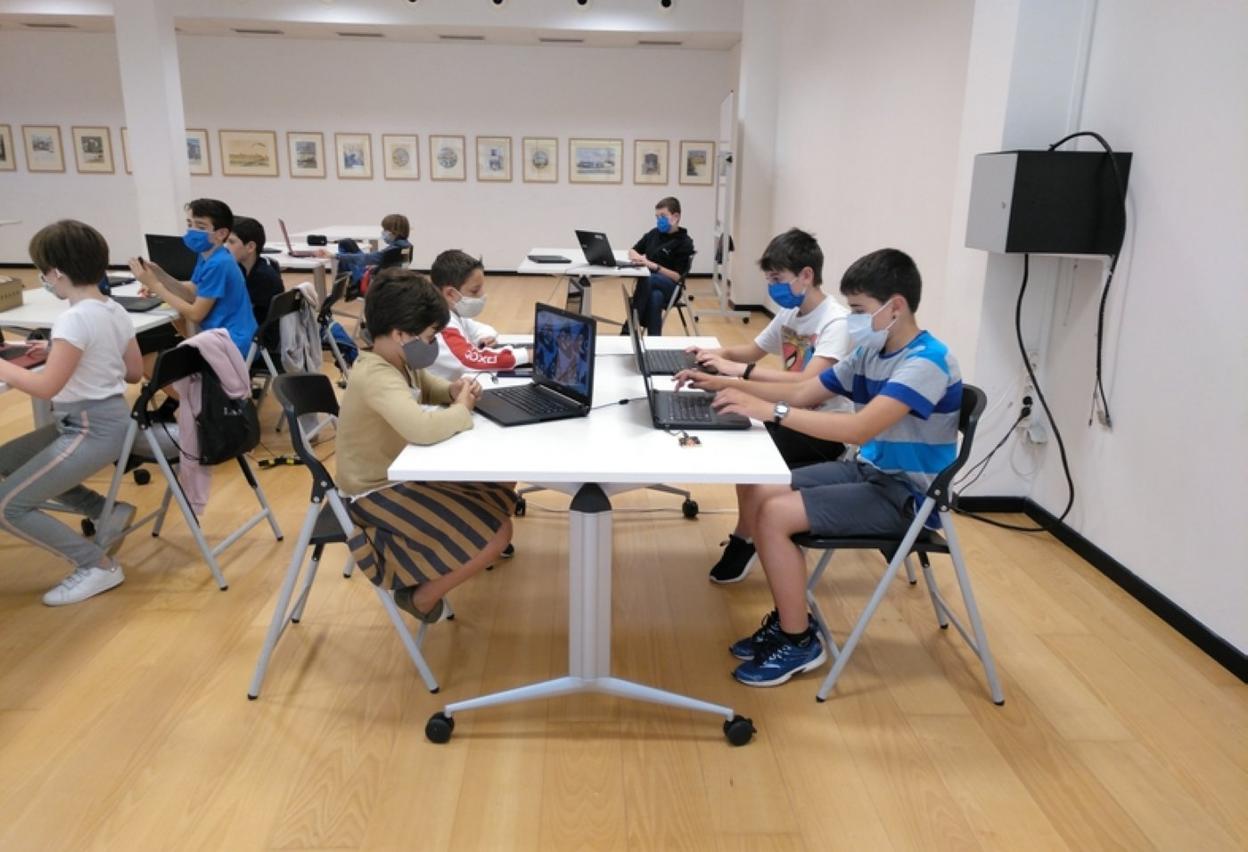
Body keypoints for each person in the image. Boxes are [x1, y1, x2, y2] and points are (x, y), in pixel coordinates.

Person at [707, 248, 962, 687]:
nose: (853, 320)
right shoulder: (871, 353)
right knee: (764, 487)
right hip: (870, 473)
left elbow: (859, 429)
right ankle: (790, 618)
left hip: (907, 498)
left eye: (860, 310)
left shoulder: (927, 362)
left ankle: (798, 639)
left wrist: (771, 412)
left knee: (774, 514)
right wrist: (724, 383)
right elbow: (804, 391)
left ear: (895, 307)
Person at [337, 268, 516, 623]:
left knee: (497, 483)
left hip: (399, 472)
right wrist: (462, 409)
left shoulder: (397, 360)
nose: (433, 343)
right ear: (401, 334)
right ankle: (420, 599)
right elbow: (421, 428)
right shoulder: (376, 375)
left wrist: (452, 391)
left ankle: (452, 555)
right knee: (499, 533)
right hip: (373, 494)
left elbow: (427, 387)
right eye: (430, 336)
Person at [675, 228, 852, 584]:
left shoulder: (836, 322)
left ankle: (746, 537)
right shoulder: (791, 312)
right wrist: (714, 354)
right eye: (769, 279)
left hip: (825, 430)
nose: (772, 287)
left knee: (749, 450)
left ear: (806, 275)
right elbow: (751, 351)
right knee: (741, 435)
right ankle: (748, 533)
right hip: (791, 414)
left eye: (777, 279)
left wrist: (738, 373)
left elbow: (807, 384)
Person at [0, 220, 143, 605]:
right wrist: (62, 351)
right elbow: (134, 372)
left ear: (56, 272)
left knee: (7, 507)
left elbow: (47, 388)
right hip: (108, 421)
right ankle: (104, 511)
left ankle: (98, 566)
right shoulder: (112, 308)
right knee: (6, 461)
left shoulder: (73, 318)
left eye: (43, 272)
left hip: (89, 429)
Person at [127, 198, 257, 361]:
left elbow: (196, 314)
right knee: (154, 341)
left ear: (221, 233)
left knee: (150, 344)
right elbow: (192, 293)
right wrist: (160, 275)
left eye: (201, 227)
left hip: (232, 343)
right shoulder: (209, 256)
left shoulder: (219, 264)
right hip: (225, 337)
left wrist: (156, 286)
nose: (192, 230)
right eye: (189, 224)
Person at [427, 249, 530, 381]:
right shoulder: (440, 324)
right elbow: (473, 361)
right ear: (450, 294)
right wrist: (528, 355)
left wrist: (483, 337)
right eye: (475, 291)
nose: (482, 295)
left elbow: (480, 329)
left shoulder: (452, 312)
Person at [627, 196, 695, 336]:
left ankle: (629, 328)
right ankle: (655, 343)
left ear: (675, 217)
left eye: (663, 216)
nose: (659, 220)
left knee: (648, 279)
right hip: (651, 287)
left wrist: (653, 266)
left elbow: (678, 277)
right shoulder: (654, 234)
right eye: (657, 217)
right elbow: (632, 250)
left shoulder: (684, 242)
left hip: (672, 287)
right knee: (655, 296)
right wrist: (638, 257)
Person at [226, 216, 285, 366]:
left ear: (250, 247)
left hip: (259, 344)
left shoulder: (262, 277)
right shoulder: (246, 268)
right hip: (251, 335)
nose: (225, 247)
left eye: (231, 242)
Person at [319, 213, 412, 285]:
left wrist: (334, 255)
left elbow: (363, 259)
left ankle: (342, 289)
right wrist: (377, 267)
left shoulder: (390, 251)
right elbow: (391, 265)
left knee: (345, 246)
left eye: (385, 230)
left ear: (393, 232)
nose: (383, 232)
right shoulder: (407, 247)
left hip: (374, 282)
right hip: (391, 280)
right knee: (348, 244)